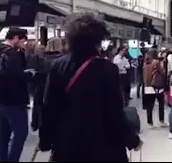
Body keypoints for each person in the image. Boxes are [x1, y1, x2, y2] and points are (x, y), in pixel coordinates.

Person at [38, 12, 142, 161]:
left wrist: (46, 140)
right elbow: (114, 114)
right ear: (97, 40)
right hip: (104, 146)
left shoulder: (57, 66)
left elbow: (49, 107)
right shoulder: (107, 69)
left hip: (68, 146)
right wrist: (131, 139)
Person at [0, 27, 35, 162]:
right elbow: (17, 76)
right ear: (16, 38)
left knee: (3, 134)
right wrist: (29, 74)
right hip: (13, 101)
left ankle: (3, 160)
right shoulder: (12, 54)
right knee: (21, 133)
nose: (24, 44)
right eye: (22, 41)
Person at [143, 49, 167, 129]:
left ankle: (150, 123)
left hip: (147, 86)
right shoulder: (156, 62)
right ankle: (161, 121)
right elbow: (162, 72)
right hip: (156, 86)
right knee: (161, 103)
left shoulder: (145, 63)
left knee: (149, 105)